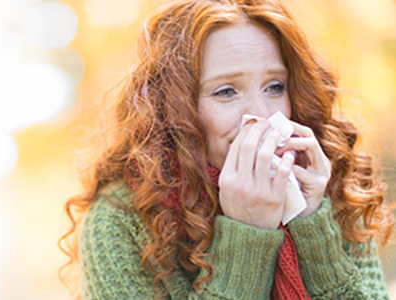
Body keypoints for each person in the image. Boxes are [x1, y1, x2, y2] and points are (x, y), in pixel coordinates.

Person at [59, 0, 395, 299]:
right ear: (174, 109)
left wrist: (311, 224)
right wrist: (248, 235)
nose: (263, 114)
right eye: (226, 92)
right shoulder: (121, 219)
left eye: (275, 87)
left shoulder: (327, 189)